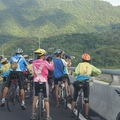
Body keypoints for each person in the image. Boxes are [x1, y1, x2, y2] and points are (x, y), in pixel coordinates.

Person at [70, 53, 101, 119]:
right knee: (86, 99)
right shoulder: (91, 66)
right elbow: (98, 71)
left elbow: (76, 73)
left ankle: (72, 111)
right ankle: (86, 114)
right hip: (86, 83)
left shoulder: (80, 65)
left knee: (75, 97)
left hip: (79, 82)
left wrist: (74, 74)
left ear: (82, 59)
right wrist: (92, 75)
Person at [30, 48, 54, 120]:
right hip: (44, 81)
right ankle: (48, 116)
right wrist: (52, 63)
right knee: (46, 99)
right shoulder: (45, 62)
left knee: (35, 98)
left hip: (36, 81)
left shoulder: (33, 63)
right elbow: (51, 69)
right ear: (42, 56)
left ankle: (33, 115)